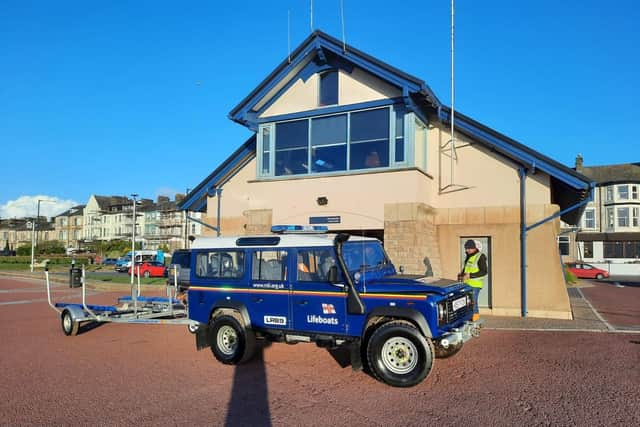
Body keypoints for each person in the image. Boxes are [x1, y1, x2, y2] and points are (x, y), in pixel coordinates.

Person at [459, 239, 487, 321]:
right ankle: (468, 318)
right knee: (466, 303)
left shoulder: (480, 256)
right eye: (466, 248)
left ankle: (475, 319)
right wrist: (461, 275)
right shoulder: (469, 256)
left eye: (468, 248)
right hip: (466, 284)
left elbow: (484, 271)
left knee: (473, 302)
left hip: (475, 285)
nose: (467, 250)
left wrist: (470, 275)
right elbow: (466, 270)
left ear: (474, 248)